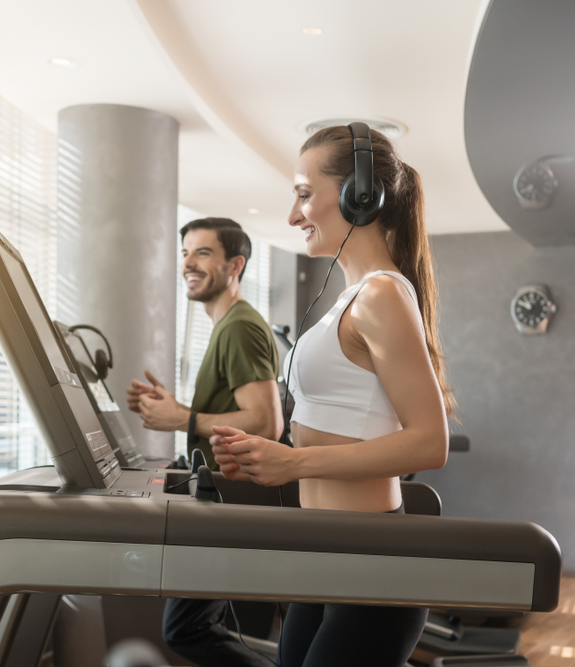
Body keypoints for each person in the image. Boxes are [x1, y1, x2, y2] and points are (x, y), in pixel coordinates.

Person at [211, 126, 455, 667]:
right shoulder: (351, 296)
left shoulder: (382, 294)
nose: (294, 216)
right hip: (324, 554)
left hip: (368, 562)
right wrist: (260, 457)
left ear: (359, 195)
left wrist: (294, 462)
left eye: (303, 194)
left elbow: (429, 443)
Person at [126, 217, 283, 667]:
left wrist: (183, 417)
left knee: (186, 628)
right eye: (185, 253)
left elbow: (265, 423)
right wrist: (174, 408)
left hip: (230, 498)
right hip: (216, 495)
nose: (188, 264)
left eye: (203, 253)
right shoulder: (228, 324)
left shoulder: (238, 326)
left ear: (236, 264)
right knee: (190, 627)